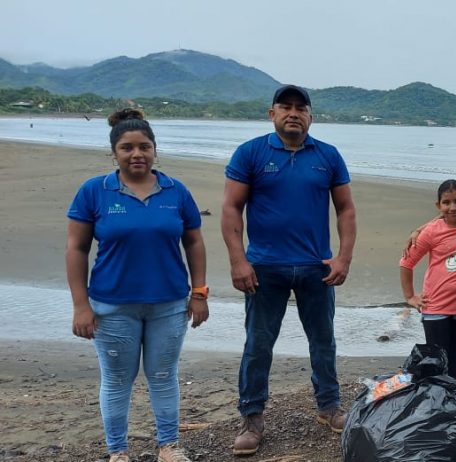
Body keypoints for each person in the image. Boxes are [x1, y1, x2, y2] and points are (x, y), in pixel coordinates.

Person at [67, 109, 208, 462]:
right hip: (112, 306)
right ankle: (117, 452)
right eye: (127, 147)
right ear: (114, 152)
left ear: (155, 150)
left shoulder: (176, 191)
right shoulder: (94, 191)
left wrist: (199, 293)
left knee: (163, 376)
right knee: (117, 381)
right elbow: (76, 249)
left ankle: (168, 447)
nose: (137, 154)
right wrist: (81, 306)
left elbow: (194, 242)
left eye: (144, 146)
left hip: (169, 305)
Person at [222, 85, 356, 455]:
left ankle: (329, 406)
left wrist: (343, 258)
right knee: (258, 344)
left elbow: (345, 209)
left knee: (323, 340)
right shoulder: (250, 153)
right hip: (265, 267)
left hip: (317, 266)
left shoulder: (328, 155)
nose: (293, 113)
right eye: (286, 107)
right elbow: (232, 208)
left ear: (311, 116)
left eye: (301, 108)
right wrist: (238, 260)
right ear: (272, 114)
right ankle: (252, 417)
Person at [400, 179, 456, 380]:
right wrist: (410, 296)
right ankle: (436, 396)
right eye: (446, 203)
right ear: (438, 205)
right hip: (436, 305)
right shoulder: (431, 231)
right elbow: (406, 263)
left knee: (454, 361)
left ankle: (452, 394)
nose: (453, 207)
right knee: (437, 361)